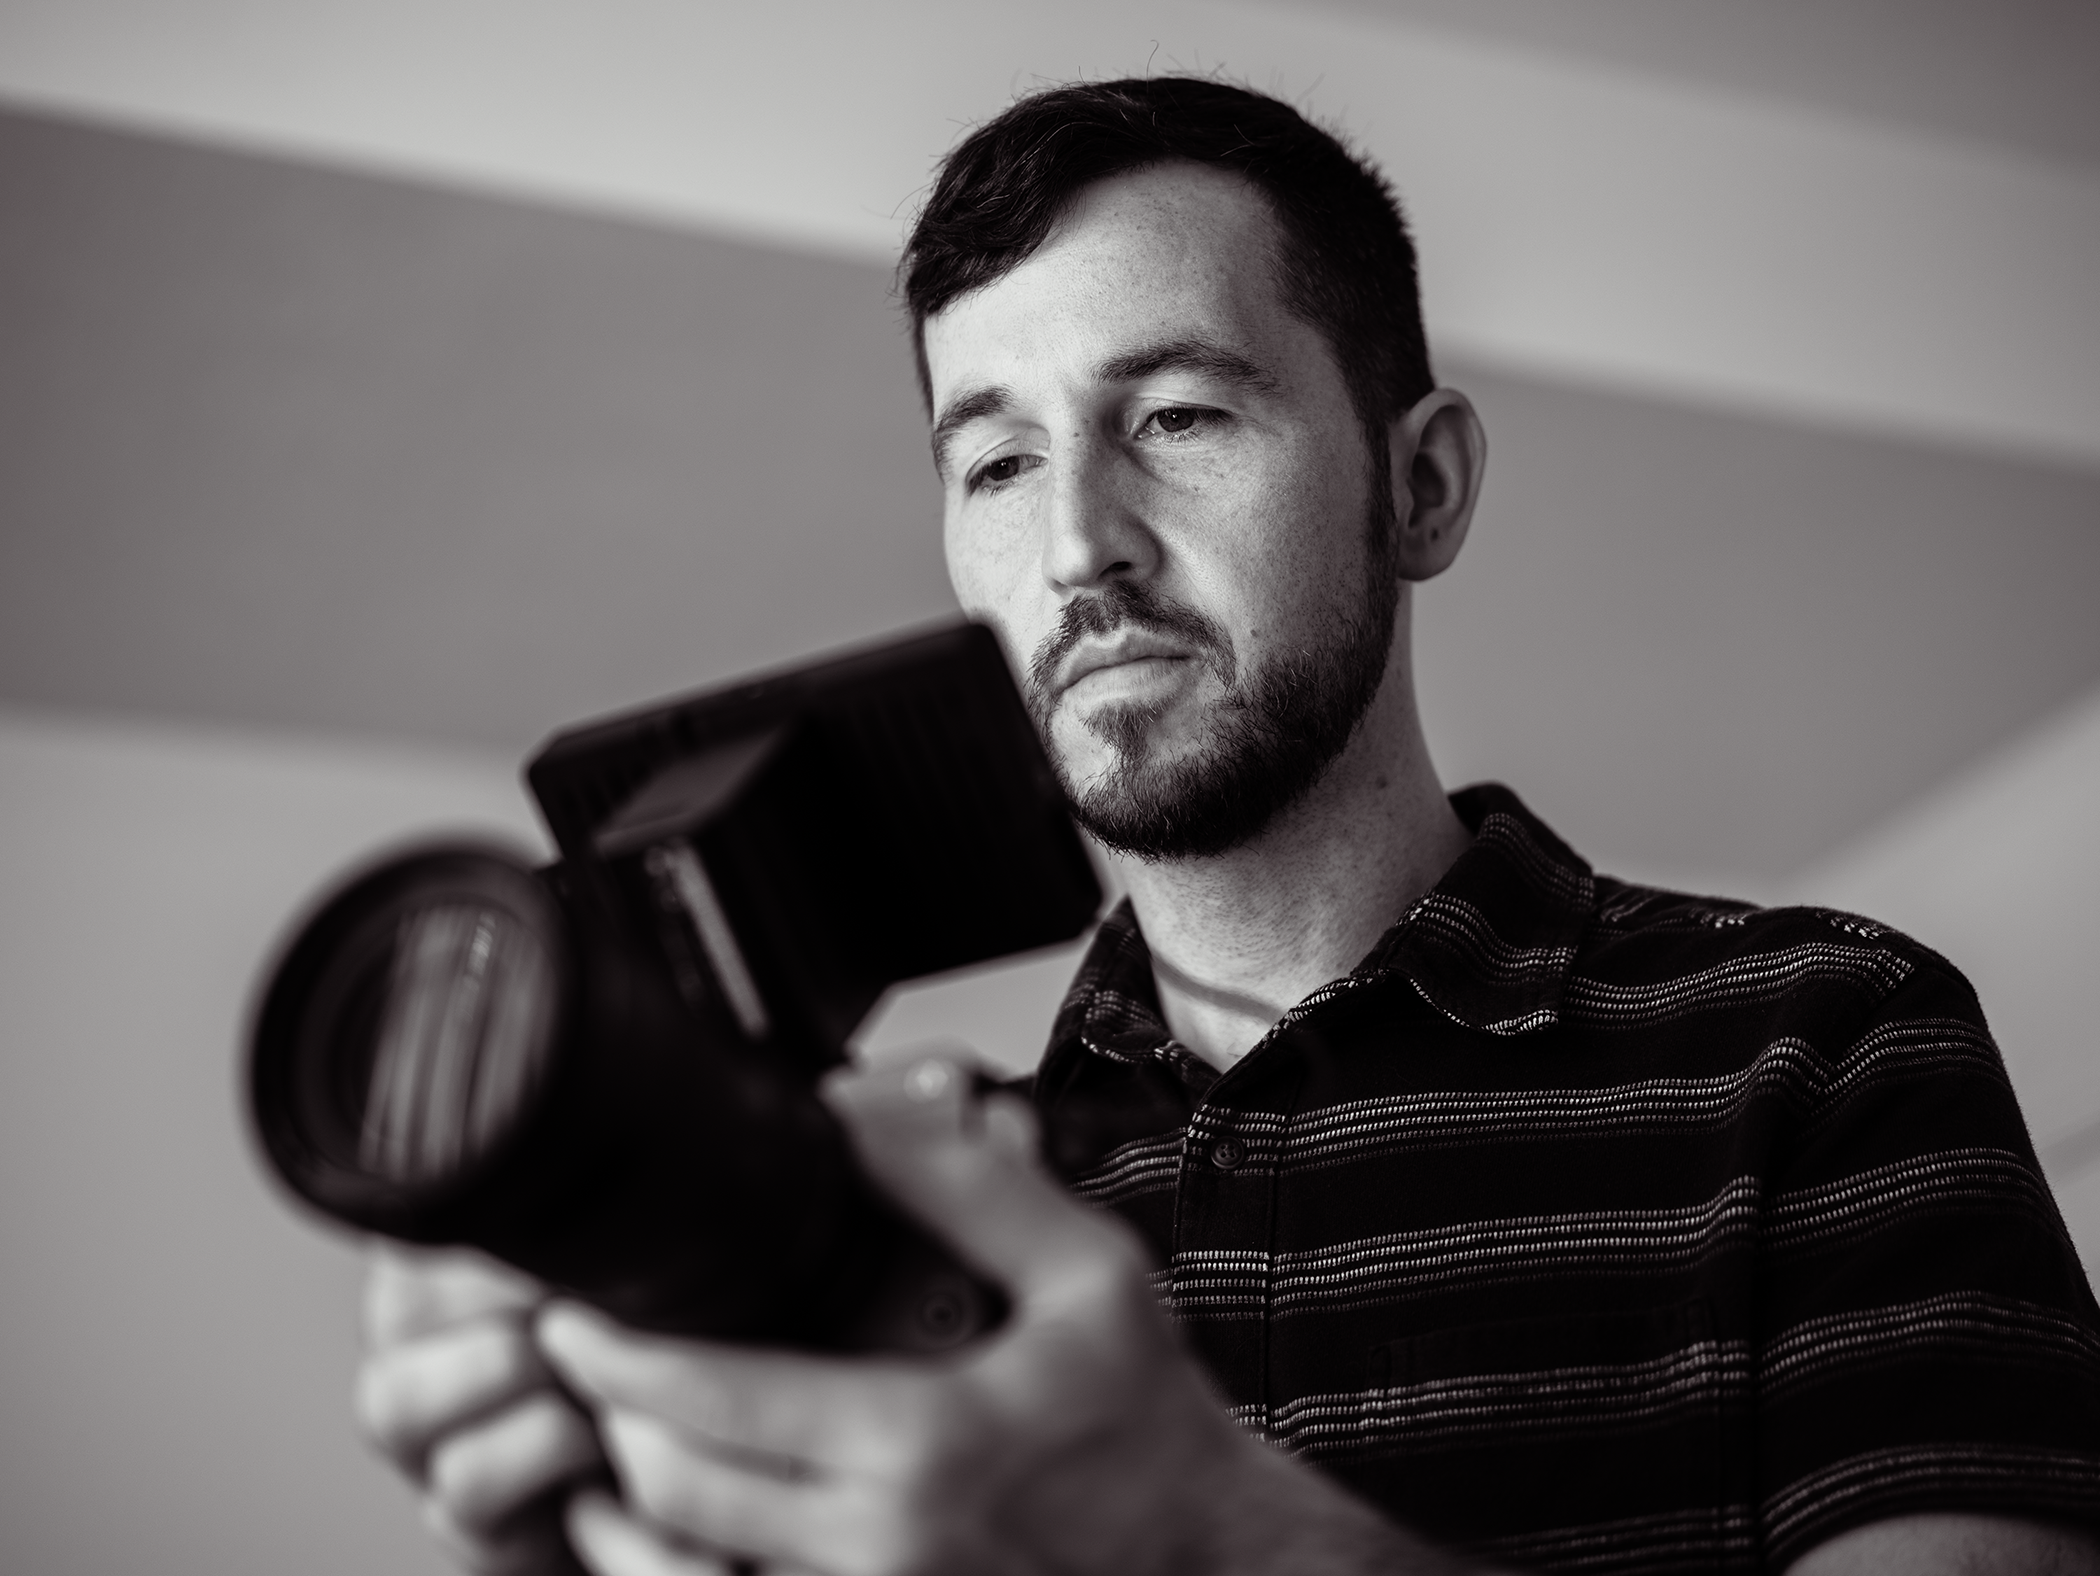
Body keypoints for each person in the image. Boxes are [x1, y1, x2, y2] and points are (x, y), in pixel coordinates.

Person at [354, 78, 2100, 1575]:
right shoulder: (930, 1208)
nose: (1077, 548)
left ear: (1420, 489)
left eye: (1177, 417)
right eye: (998, 462)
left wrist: (1204, 1534)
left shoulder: (1826, 1042)